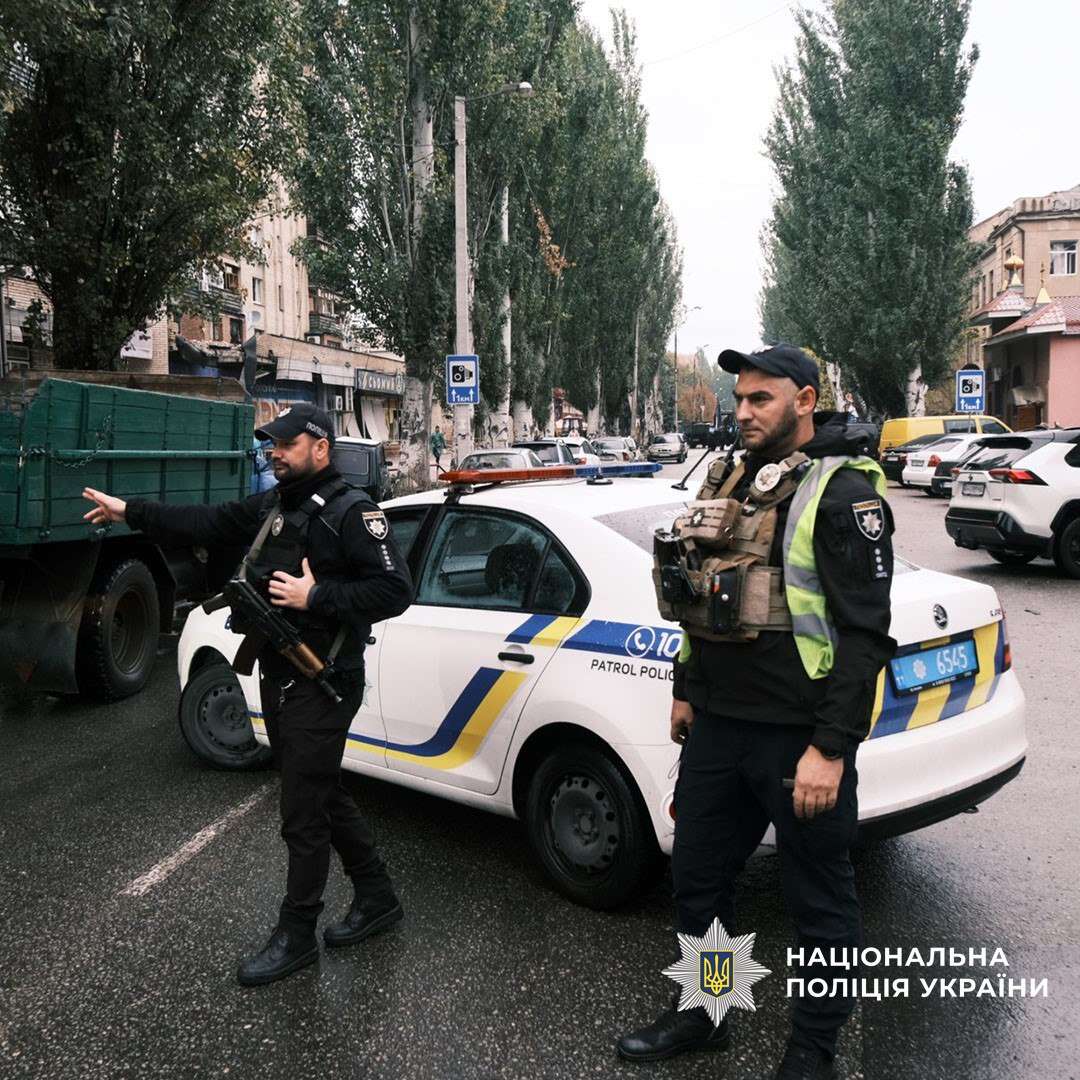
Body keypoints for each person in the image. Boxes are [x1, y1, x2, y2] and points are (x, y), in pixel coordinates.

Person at [618, 345, 895, 1080]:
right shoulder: (731, 477)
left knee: (817, 898)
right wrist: (685, 686)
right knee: (699, 877)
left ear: (804, 401)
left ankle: (813, 1049)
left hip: (798, 737)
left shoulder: (841, 493)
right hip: (718, 727)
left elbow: (866, 636)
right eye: (739, 398)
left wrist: (831, 748)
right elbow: (697, 592)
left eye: (760, 398)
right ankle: (707, 1012)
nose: (742, 411)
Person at [82, 403, 413, 987]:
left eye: (286, 444)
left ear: (320, 448)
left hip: (325, 680)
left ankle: (297, 934)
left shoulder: (352, 513)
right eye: (272, 444)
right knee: (319, 790)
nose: (274, 453)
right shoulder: (273, 507)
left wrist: (317, 597)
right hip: (280, 673)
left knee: (301, 812)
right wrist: (129, 510)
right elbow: (204, 522)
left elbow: (395, 589)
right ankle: (378, 895)